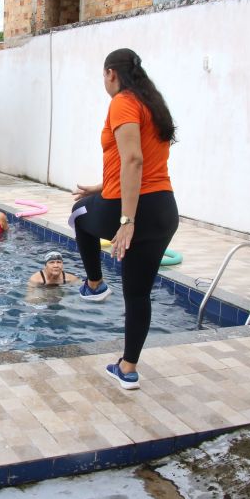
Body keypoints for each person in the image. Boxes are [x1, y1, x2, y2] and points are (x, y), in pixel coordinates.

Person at [70, 48, 179, 390]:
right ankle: (127, 369)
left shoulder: (123, 102)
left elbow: (133, 160)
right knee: (137, 293)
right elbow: (137, 161)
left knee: (78, 212)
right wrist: (103, 186)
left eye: (103, 76)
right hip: (163, 210)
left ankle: (94, 283)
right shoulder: (152, 104)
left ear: (111, 74)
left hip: (135, 210)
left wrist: (127, 221)